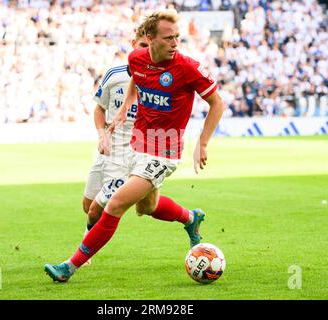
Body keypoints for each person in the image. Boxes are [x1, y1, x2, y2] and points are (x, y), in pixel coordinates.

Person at [44, 10, 226, 283]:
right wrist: (126, 105)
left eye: (177, 37)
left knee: (114, 205)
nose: (175, 43)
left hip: (164, 152)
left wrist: (202, 143)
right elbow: (136, 79)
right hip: (136, 146)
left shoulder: (188, 67)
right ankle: (190, 218)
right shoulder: (136, 59)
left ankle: (69, 267)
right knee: (146, 208)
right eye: (168, 38)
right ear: (150, 39)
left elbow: (217, 103)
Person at [79, 26, 149, 267]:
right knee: (87, 204)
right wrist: (101, 135)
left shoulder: (157, 80)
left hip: (129, 154)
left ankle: (82, 254)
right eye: (142, 46)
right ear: (133, 44)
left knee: (97, 210)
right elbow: (99, 108)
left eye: (150, 47)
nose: (146, 52)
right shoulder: (115, 74)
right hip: (107, 145)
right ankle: (188, 218)